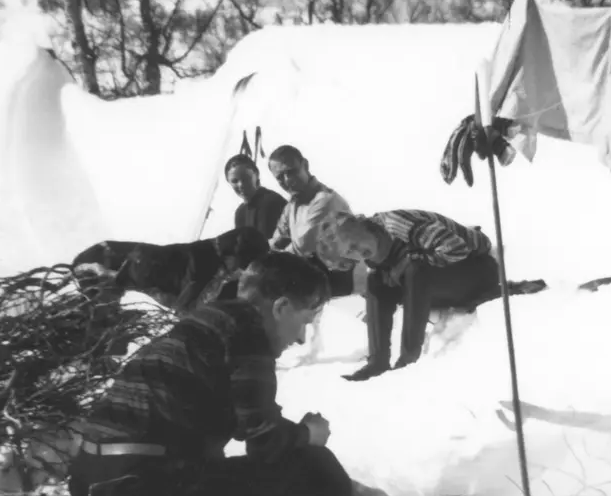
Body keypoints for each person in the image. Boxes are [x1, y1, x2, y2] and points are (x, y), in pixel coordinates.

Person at [67, 251, 423, 496]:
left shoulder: (209, 322)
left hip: (93, 483)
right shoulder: (248, 331)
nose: (300, 338)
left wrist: (298, 441)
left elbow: (252, 420)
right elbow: (266, 443)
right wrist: (310, 435)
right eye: (304, 320)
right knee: (317, 470)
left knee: (292, 466)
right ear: (281, 307)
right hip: (135, 493)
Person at [330, 210, 542, 381]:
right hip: (437, 283)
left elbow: (456, 249)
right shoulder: (373, 251)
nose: (359, 252)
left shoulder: (397, 225)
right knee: (375, 280)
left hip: (476, 269)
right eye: (350, 252)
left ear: (366, 228)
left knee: (415, 269)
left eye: (357, 243)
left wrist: (417, 259)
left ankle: (409, 357)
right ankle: (377, 362)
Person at [71, 226, 269, 316]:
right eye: (242, 265)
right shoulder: (203, 265)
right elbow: (183, 311)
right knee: (99, 319)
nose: (240, 270)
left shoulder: (206, 256)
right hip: (101, 262)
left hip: (110, 260)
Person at [266, 145, 357, 300]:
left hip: (338, 282)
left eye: (292, 172)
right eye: (280, 177)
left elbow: (303, 245)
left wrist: (273, 256)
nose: (288, 181)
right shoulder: (293, 203)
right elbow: (278, 238)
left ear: (305, 165)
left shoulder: (324, 200)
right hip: (315, 281)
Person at [225, 154, 286, 240]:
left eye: (245, 178)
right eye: (234, 181)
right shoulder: (240, 213)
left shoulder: (273, 202)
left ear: (256, 174)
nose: (241, 185)